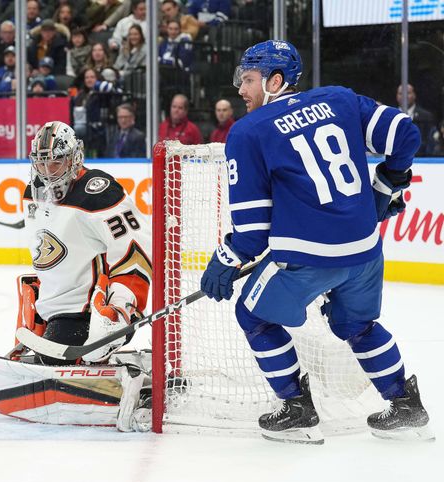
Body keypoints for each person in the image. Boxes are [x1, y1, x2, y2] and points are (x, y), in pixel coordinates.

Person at [199, 40, 432, 443]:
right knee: (357, 324)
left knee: (253, 316)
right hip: (364, 251)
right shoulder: (339, 99)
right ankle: (407, 409)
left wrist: (225, 258)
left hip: (306, 260)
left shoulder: (248, 132)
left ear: (275, 81)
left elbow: (252, 233)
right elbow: (404, 134)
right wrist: (388, 182)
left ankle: (296, 410)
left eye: (249, 80)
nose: (240, 90)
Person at [22, 121, 152, 366]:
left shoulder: (98, 192)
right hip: (57, 309)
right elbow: (48, 254)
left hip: (92, 311)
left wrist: (120, 308)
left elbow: (137, 250)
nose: (46, 171)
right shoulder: (32, 192)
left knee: (53, 365)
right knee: (45, 359)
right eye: (40, 162)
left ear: (74, 158)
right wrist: (40, 304)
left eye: (55, 162)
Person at [396, 84, 437, 156]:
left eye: (408, 93)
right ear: (397, 96)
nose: (404, 96)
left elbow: (430, 142)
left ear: (414, 95)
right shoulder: (390, 116)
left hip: (421, 159)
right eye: (401, 93)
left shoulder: (426, 116)